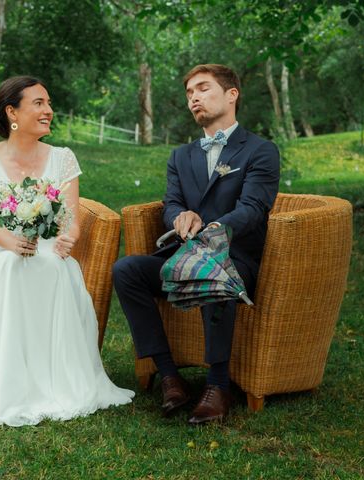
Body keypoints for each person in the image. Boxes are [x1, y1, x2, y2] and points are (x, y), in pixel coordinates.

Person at [0, 76, 134, 441]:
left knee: (51, 265)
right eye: (38, 103)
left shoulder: (63, 159)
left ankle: (53, 380)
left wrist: (69, 237)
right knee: (9, 266)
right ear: (12, 112)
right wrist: (11, 242)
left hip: (48, 246)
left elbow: (70, 216)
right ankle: (4, 382)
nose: (48, 110)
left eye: (48, 102)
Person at [113, 64, 280, 425]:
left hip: (234, 259)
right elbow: (171, 202)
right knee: (126, 270)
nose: (194, 98)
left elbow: (253, 209)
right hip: (182, 256)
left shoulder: (260, 151)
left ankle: (217, 386)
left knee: (215, 273)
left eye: (203, 89)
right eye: (190, 93)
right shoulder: (181, 156)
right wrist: (178, 216)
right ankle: (170, 377)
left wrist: (214, 226)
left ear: (231, 94)